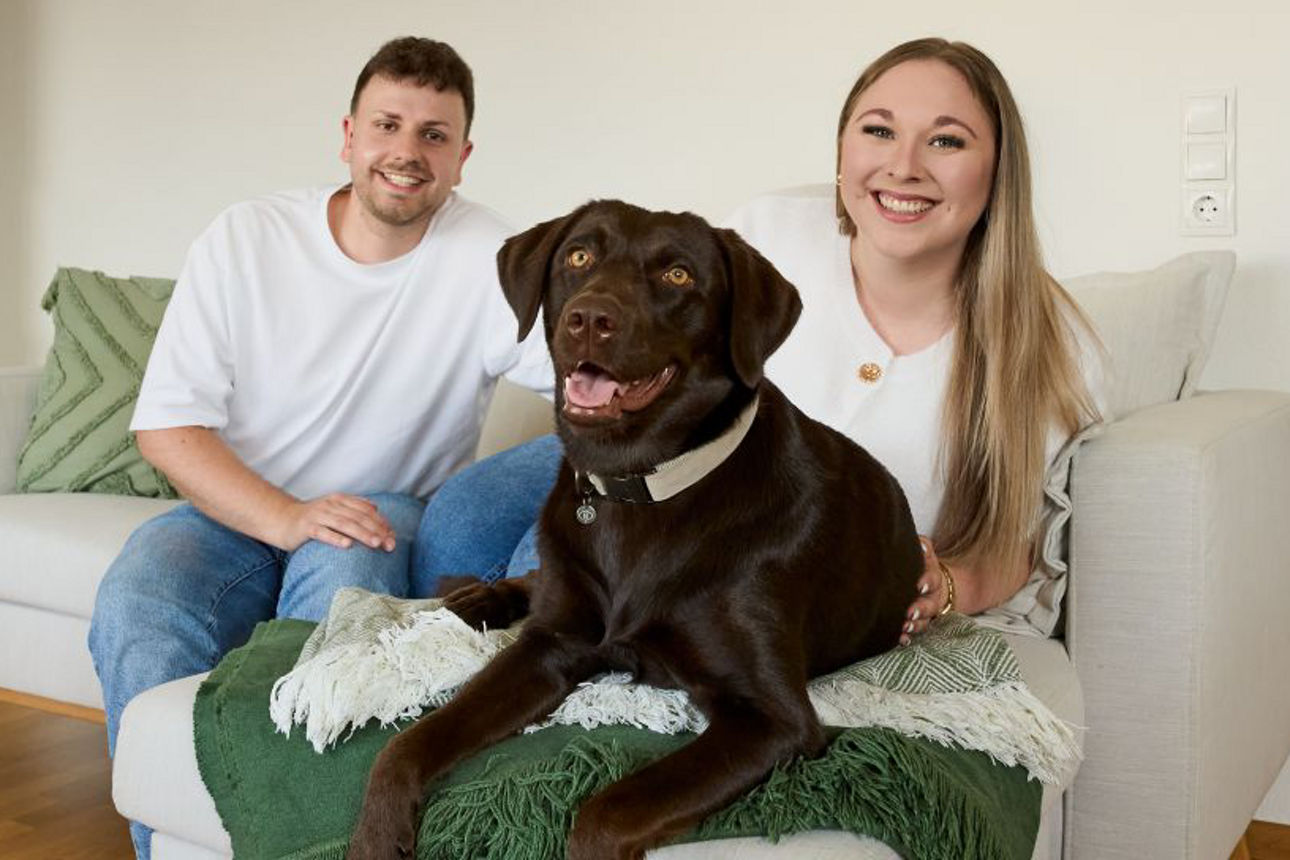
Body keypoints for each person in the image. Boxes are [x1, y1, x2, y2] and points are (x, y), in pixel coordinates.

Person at [412, 37, 1106, 647]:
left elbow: (1024, 541)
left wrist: (945, 583)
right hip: (638, 462)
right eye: (878, 131)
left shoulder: (1048, 342)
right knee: (460, 520)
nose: (904, 166)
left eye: (947, 141)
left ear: (997, 171)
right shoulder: (770, 233)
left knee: (532, 590)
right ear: (842, 152)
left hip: (750, 548)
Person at [88, 37, 551, 859]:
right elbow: (167, 425)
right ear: (348, 136)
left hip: (380, 509)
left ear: (462, 157)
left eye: (434, 135)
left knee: (339, 610)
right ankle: (169, 844)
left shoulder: (495, 259)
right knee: (140, 599)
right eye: (388, 125)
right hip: (235, 505)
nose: (407, 152)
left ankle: (295, 843)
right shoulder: (247, 238)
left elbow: (595, 386)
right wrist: (286, 515)